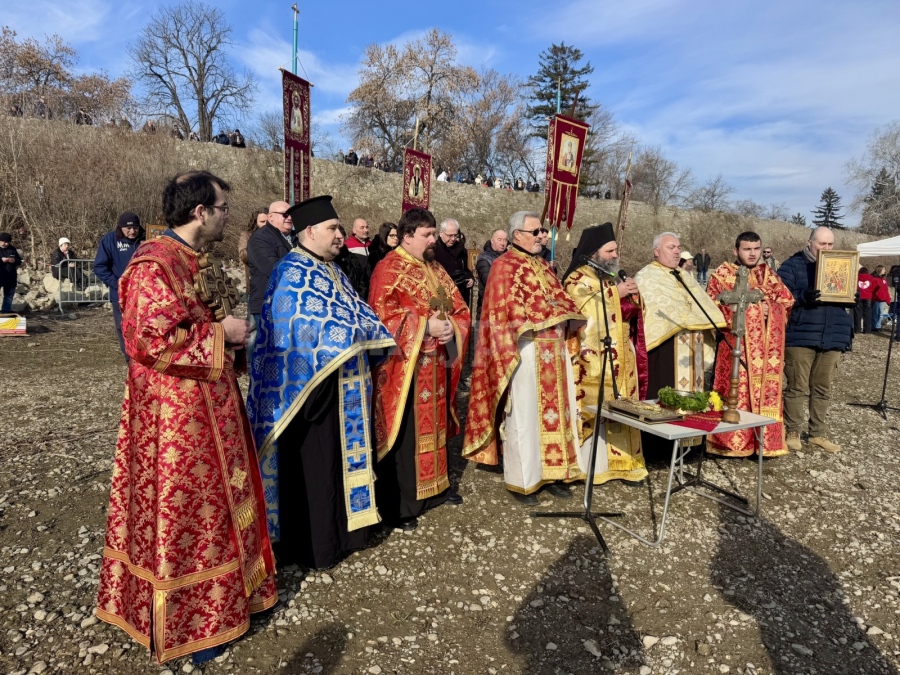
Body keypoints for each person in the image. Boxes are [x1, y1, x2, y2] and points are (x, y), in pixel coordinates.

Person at [96, 171, 277, 665]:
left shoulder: (192, 259)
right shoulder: (152, 265)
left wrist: (226, 334)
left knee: (220, 503)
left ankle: (228, 600)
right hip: (175, 417)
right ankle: (190, 620)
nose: (226, 216)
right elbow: (148, 341)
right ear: (200, 212)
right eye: (221, 208)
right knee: (188, 511)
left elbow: (193, 323)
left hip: (211, 403)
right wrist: (225, 335)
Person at [246, 195, 395, 570]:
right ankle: (317, 544)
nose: (340, 235)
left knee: (338, 460)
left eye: (341, 228)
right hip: (308, 393)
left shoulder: (333, 270)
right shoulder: (290, 271)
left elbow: (359, 314)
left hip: (346, 387)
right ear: (309, 231)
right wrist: (350, 335)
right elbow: (296, 326)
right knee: (315, 465)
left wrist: (363, 332)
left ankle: (348, 534)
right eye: (333, 228)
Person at [463, 211, 586, 505]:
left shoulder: (544, 266)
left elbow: (562, 301)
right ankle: (523, 478)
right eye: (536, 231)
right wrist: (545, 316)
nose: (542, 236)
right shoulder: (503, 267)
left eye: (542, 231)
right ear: (517, 234)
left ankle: (555, 474)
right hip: (525, 352)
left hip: (554, 352)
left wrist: (568, 317)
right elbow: (503, 313)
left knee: (558, 416)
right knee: (526, 416)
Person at [369, 208, 472, 531]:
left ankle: (435, 489)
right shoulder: (388, 269)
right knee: (407, 434)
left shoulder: (436, 268)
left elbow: (460, 309)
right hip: (406, 368)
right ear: (407, 236)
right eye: (427, 235)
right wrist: (425, 326)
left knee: (436, 427)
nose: (432, 240)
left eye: (433, 234)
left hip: (436, 365)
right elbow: (380, 317)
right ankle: (402, 505)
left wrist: (451, 327)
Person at [563, 223, 648, 485]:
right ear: (593, 253)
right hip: (592, 357)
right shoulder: (576, 279)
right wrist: (614, 294)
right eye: (610, 250)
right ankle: (592, 467)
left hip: (620, 355)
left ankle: (623, 464)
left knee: (621, 405)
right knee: (594, 406)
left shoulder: (610, 278)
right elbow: (581, 310)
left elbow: (624, 312)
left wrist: (633, 297)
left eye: (615, 250)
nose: (614, 255)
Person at [634, 232, 725, 455]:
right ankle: (659, 446)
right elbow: (652, 312)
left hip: (692, 345)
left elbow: (699, 304)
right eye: (671, 247)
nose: (677, 251)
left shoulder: (684, 276)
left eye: (678, 247)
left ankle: (691, 442)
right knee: (664, 394)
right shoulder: (647, 276)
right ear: (657, 251)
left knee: (693, 395)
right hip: (664, 347)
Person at [705, 232, 794, 457]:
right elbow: (712, 308)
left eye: (756, 249)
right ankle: (733, 444)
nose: (752, 253)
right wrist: (751, 310)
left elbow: (787, 301)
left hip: (765, 351)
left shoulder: (769, 275)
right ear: (736, 251)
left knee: (765, 390)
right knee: (737, 391)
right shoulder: (721, 275)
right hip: (735, 345)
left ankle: (764, 443)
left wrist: (771, 310)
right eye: (747, 249)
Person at [777, 227, 852, 453]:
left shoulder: (842, 266)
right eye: (822, 244)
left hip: (833, 335)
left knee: (822, 388)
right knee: (797, 386)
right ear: (809, 242)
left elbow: (847, 294)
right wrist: (802, 296)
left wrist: (852, 298)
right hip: (801, 335)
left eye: (830, 244)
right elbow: (781, 294)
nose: (826, 248)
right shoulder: (792, 265)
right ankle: (792, 431)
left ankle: (818, 433)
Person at [94, 212, 146, 361]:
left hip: (146, 293)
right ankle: (130, 360)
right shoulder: (109, 240)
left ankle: (148, 359)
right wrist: (117, 285)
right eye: (127, 228)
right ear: (120, 227)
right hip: (121, 295)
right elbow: (100, 267)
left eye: (135, 228)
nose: (131, 231)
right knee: (124, 328)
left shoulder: (148, 238)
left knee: (146, 327)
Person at [246, 201, 296, 353]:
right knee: (266, 353)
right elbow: (274, 269)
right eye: (284, 215)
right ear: (271, 217)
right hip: (267, 305)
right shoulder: (260, 239)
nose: (289, 218)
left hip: (292, 305)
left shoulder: (298, 237)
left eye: (291, 214)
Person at [434, 218, 475, 306]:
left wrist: (470, 278)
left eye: (455, 235)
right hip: (443, 297)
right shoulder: (434, 250)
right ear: (441, 233)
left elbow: (465, 269)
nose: (453, 239)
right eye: (450, 235)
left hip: (462, 297)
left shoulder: (462, 250)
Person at [475, 229, 508, 316]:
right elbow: (487, 280)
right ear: (492, 241)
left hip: (506, 305)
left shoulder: (509, 257)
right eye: (499, 239)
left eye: (505, 240)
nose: (503, 243)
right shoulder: (484, 258)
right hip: (488, 305)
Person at [238, 207, 268, 294]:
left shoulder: (275, 235)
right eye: (262, 222)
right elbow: (243, 255)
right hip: (255, 283)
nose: (265, 224)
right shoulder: (247, 235)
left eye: (268, 222)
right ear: (255, 223)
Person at [0, 232, 22, 313]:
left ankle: (6, 311)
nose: (6, 244)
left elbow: (19, 261)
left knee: (9, 296)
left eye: (8, 242)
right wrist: (1, 260)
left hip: (10, 276)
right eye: (4, 242)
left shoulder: (12, 249)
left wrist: (14, 260)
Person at [871, 265, 891, 331]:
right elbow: (872, 290)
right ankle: (874, 326)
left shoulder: (884, 280)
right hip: (876, 299)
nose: (885, 271)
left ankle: (878, 326)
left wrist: (888, 300)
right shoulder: (874, 279)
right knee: (875, 313)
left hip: (882, 299)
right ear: (880, 270)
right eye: (883, 269)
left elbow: (886, 291)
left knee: (881, 313)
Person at [855, 267, 874, 334]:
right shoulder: (871, 278)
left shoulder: (856, 277)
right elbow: (873, 287)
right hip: (868, 296)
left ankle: (857, 329)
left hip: (859, 296)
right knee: (867, 313)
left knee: (858, 313)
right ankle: (867, 330)